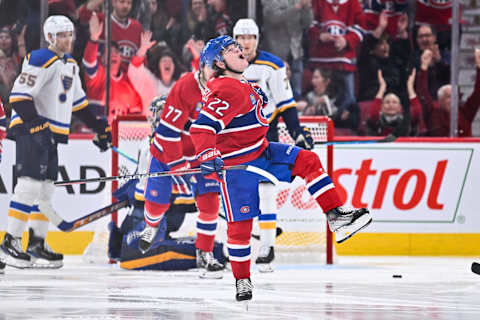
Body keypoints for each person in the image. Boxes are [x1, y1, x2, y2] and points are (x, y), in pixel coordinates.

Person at [190, 35, 372, 302]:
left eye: (238, 46)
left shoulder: (244, 85)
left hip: (262, 151)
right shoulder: (226, 89)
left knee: (308, 161)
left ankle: (337, 216)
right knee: (240, 228)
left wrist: (297, 130)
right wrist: (207, 152)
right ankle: (242, 280)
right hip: (237, 167)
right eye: (231, 49)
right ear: (219, 62)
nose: (239, 50)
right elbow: (203, 127)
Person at [0, 16, 112, 270]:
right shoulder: (40, 58)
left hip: (49, 135)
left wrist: (100, 129)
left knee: (46, 190)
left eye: (69, 34)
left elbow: (80, 106)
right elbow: (19, 97)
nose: (67, 39)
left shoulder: (70, 64)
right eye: (61, 35)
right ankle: (11, 241)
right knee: (29, 186)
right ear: (50, 37)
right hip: (31, 131)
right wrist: (36, 126)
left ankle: (36, 244)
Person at [232, 18, 314, 272]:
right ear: (234, 40)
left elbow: (286, 103)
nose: (246, 43)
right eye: (241, 38)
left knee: (267, 191)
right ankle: (233, 246)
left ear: (257, 40)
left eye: (251, 38)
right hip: (234, 139)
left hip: (265, 136)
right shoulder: (224, 64)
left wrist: (296, 131)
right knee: (235, 193)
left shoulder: (273, 65)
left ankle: (267, 247)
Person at [136, 56, 226, 278]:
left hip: (199, 154)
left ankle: (204, 252)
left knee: (210, 203)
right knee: (157, 204)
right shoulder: (186, 87)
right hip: (167, 153)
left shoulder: (226, 89)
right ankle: (151, 225)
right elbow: (167, 135)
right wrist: (178, 164)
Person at [83, 13, 143, 123]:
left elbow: (136, 116)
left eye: (116, 52)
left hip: (121, 137)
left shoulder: (128, 82)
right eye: (109, 52)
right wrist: (94, 39)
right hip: (96, 135)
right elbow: (89, 62)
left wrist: (141, 52)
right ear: (101, 58)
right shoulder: (96, 76)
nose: (113, 55)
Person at [416, 48, 480, 137]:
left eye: (455, 97)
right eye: (449, 96)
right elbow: (422, 93)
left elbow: (478, 94)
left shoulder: (465, 112)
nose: (453, 100)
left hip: (463, 150)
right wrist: (423, 67)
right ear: (440, 100)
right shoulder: (432, 111)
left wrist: (479, 68)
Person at [78, 0, 144, 71]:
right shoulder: (102, 20)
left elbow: (142, 60)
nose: (125, 6)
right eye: (122, 2)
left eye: (129, 3)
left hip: (127, 79)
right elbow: (83, 14)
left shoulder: (137, 27)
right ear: (113, 2)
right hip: (104, 77)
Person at [128, 31, 186, 111]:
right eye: (164, 61)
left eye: (170, 61)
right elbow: (135, 70)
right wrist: (142, 50)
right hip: (150, 123)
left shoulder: (181, 84)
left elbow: (200, 79)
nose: (167, 63)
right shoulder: (150, 82)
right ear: (158, 66)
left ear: (175, 67)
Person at [367, 69, 424, 136]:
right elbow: (374, 114)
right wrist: (382, 88)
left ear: (400, 108)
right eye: (387, 102)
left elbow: (417, 113)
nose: (391, 105)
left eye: (394, 102)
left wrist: (410, 87)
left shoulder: (405, 122)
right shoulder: (377, 121)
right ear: (381, 107)